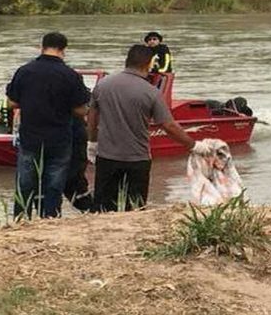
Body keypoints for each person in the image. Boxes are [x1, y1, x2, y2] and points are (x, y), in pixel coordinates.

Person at [87, 45, 205, 212]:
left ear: (127, 61)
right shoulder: (151, 92)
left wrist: (91, 143)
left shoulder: (103, 85)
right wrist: (194, 146)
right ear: (148, 64)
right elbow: (168, 125)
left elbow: (92, 118)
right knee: (135, 208)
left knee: (103, 207)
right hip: (137, 159)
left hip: (107, 157)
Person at [6, 32, 90, 219]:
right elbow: (80, 110)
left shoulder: (24, 71)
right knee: (54, 183)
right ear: (63, 50)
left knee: (25, 183)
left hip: (30, 137)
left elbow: (11, 103)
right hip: (59, 138)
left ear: (42, 46)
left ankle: (21, 221)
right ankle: (50, 219)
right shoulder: (70, 75)